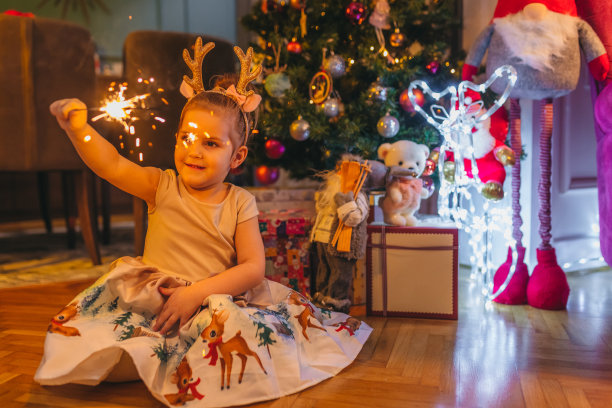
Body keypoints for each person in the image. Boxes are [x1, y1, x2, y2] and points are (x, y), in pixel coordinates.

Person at [35, 39, 371, 407]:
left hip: (211, 305)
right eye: (187, 138)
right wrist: (77, 129)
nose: (194, 150)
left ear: (237, 156)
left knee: (252, 350)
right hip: (154, 304)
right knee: (92, 348)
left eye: (211, 143)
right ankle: (142, 354)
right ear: (176, 138)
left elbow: (253, 268)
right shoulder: (159, 185)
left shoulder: (240, 201)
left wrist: (196, 293)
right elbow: (110, 164)